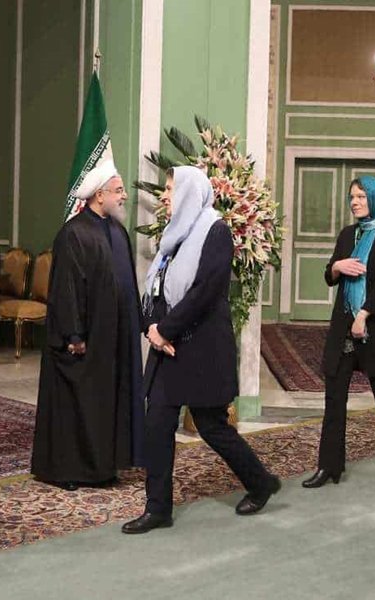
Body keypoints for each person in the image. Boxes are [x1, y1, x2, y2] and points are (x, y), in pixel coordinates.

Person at [122, 166, 280, 534]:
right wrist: (151, 328)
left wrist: (165, 329)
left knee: (211, 426)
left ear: (189, 192)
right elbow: (156, 287)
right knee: (157, 425)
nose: (164, 195)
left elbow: (205, 292)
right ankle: (157, 509)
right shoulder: (173, 235)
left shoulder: (216, 231)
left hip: (200, 349)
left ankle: (260, 482)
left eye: (170, 188)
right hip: (167, 349)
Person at [31, 160, 145, 490]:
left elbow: (127, 282)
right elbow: (65, 289)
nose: (124, 196)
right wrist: (74, 333)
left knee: (105, 404)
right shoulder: (73, 233)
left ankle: (104, 465)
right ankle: (67, 470)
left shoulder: (117, 231)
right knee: (76, 405)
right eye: (118, 190)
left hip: (113, 338)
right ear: (99, 195)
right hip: (85, 339)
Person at [302, 175, 375, 488]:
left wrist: (364, 315)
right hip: (343, 326)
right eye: (352, 197)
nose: (355, 202)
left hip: (374, 327)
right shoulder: (347, 234)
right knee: (334, 397)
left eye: (361, 197)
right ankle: (329, 466)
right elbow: (330, 275)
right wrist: (337, 267)